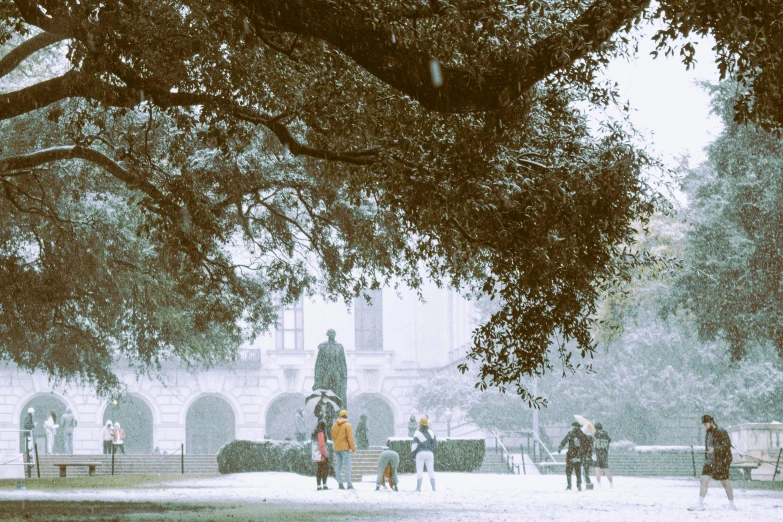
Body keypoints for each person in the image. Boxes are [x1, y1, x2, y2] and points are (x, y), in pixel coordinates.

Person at [688, 415, 736, 511]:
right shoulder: (708, 432)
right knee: (703, 480)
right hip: (709, 461)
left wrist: (715, 450)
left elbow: (726, 445)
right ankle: (700, 504)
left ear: (711, 422)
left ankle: (732, 505)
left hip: (721, 461)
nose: (705, 426)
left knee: (725, 482)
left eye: (706, 424)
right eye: (704, 424)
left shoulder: (721, 431)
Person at [558, 421, 588, 491]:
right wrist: (584, 453)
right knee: (578, 471)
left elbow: (564, 441)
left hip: (571, 455)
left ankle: (569, 485)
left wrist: (560, 447)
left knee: (569, 471)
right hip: (579, 455)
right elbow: (586, 445)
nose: (573, 428)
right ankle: (579, 486)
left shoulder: (571, 433)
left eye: (574, 426)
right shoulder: (582, 435)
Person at [331, 409, 356, 489]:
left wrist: (338, 442)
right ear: (346, 416)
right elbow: (350, 438)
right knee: (348, 466)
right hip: (344, 448)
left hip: (337, 448)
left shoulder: (334, 425)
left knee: (338, 466)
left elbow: (333, 437)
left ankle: (340, 484)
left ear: (340, 416)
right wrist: (353, 449)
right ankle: (349, 484)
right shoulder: (347, 425)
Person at [412, 417, 438, 492]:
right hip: (430, 453)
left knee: (420, 470)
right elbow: (435, 444)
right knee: (431, 470)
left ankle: (418, 488)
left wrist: (413, 455)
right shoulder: (431, 432)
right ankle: (433, 488)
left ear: (420, 424)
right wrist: (430, 447)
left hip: (420, 453)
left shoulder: (417, 433)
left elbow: (414, 445)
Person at [593, 422, 613, 487]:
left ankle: (599, 484)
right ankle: (611, 483)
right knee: (606, 469)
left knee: (597, 470)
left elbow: (593, 444)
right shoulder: (605, 434)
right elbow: (609, 441)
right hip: (604, 454)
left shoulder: (595, 434)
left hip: (597, 454)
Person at [311, 421, 330, 491]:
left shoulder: (314, 434)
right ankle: (324, 485)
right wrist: (326, 455)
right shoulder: (321, 434)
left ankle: (318, 486)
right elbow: (322, 446)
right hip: (321, 455)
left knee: (319, 470)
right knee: (324, 470)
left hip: (316, 455)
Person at [22, 408, 35, 478]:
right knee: (28, 445)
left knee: (29, 445)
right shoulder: (28, 417)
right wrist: (33, 425)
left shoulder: (28, 416)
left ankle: (28, 452)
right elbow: (27, 425)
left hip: (28, 434)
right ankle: (28, 453)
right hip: (27, 434)